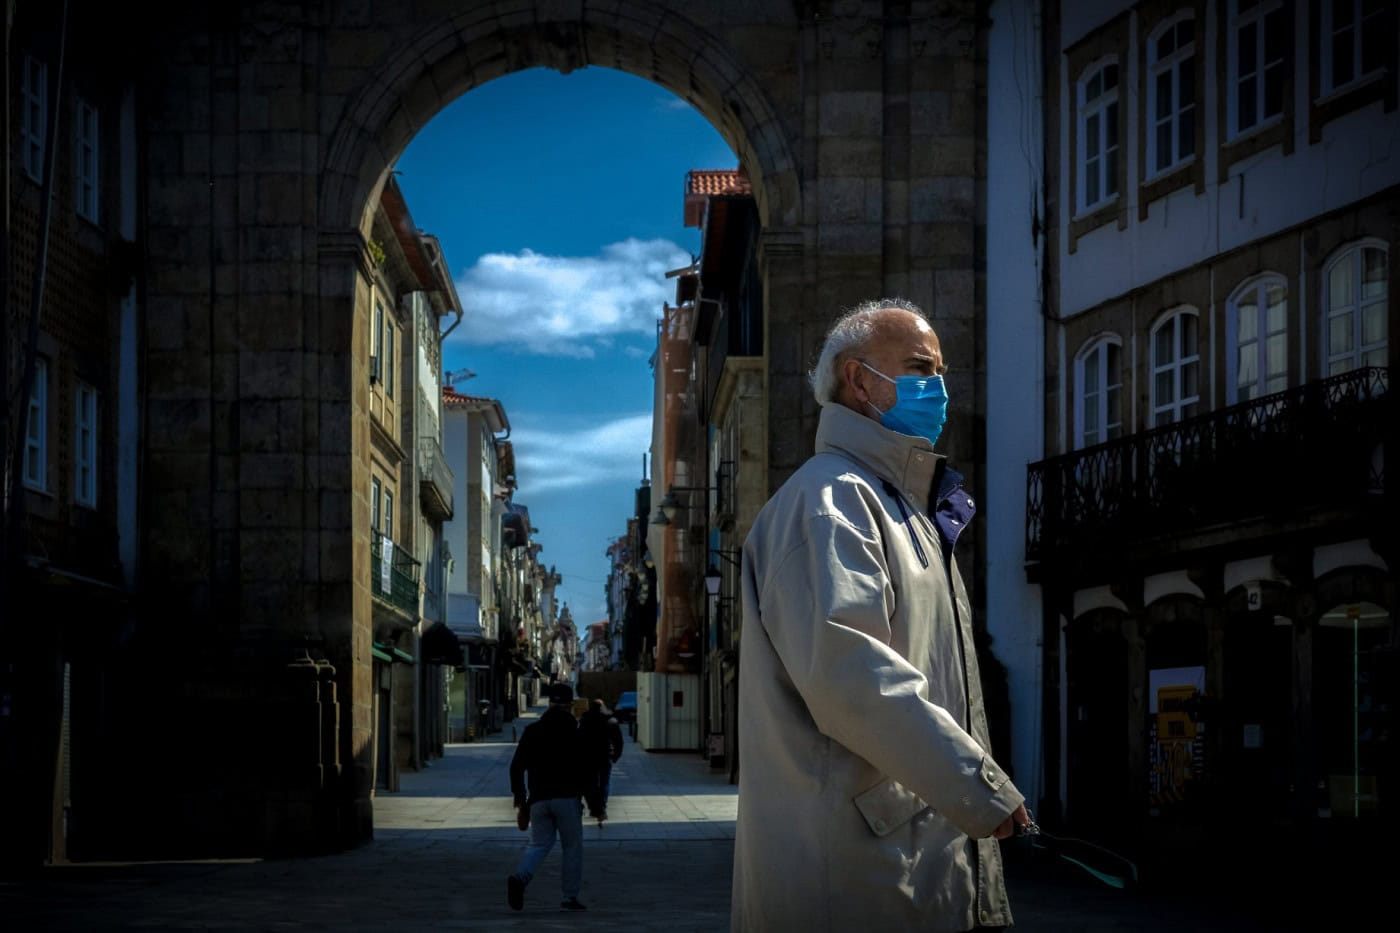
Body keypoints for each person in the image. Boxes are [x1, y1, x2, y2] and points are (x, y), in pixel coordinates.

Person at [730, 299, 1031, 933]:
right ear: (858, 379)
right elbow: (853, 678)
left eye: (942, 371)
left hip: (906, 859)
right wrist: (980, 788)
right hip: (855, 873)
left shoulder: (900, 504)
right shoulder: (831, 504)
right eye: (921, 368)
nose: (939, 389)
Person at [507, 682, 599, 913]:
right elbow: (587, 772)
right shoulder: (577, 733)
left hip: (538, 799)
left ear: (549, 704)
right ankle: (570, 897)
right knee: (572, 848)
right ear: (570, 705)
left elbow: (516, 766)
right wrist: (596, 805)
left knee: (538, 844)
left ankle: (520, 878)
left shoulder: (532, 731)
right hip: (567, 798)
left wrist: (520, 797)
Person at [578, 698, 624, 820]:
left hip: (589, 756)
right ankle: (602, 806)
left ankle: (594, 808)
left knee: (590, 783)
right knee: (604, 782)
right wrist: (616, 755)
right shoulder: (611, 720)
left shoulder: (585, 720)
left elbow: (580, 739)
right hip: (605, 755)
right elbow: (618, 741)